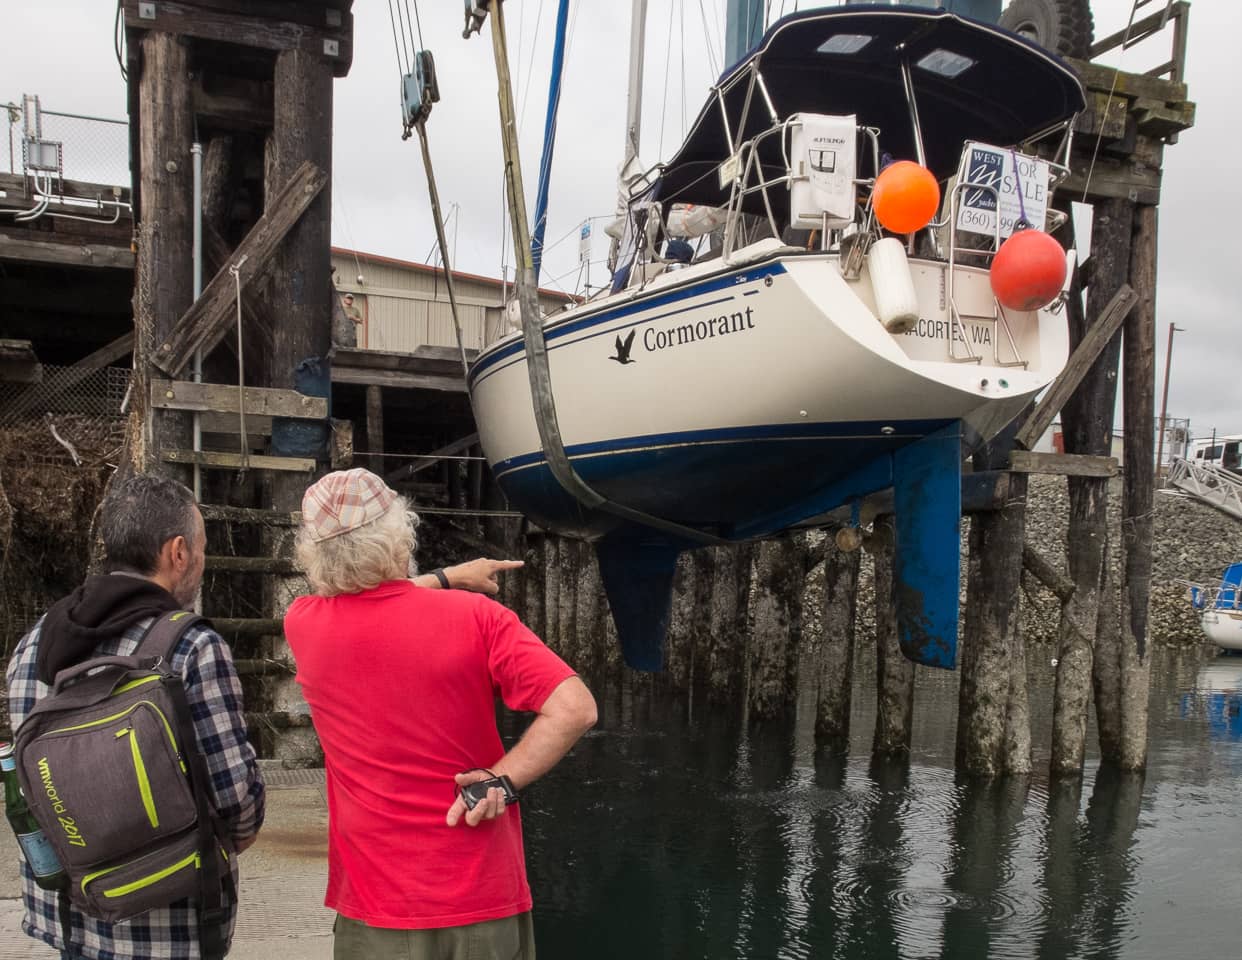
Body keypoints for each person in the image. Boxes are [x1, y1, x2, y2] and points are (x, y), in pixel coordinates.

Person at [283, 468, 597, 960]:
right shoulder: (478, 618)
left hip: (376, 907)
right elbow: (575, 709)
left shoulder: (304, 625)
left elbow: (374, 600)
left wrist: (445, 578)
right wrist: (499, 780)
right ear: (400, 534)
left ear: (312, 553)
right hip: (481, 896)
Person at [5, 474, 265, 960]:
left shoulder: (33, 643)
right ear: (179, 552)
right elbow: (239, 808)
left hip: (68, 921)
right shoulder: (191, 648)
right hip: (170, 931)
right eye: (202, 548)